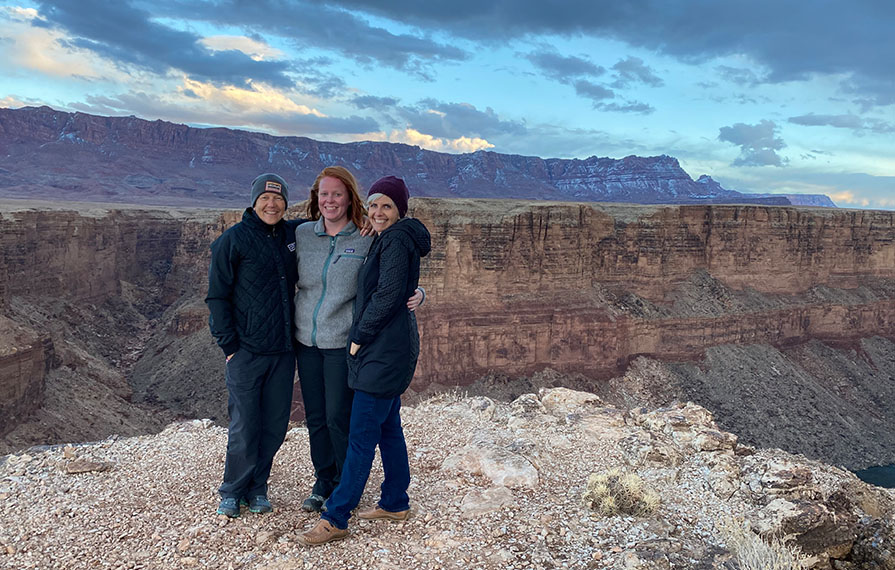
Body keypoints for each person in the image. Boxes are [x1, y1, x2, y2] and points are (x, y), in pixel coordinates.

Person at [298, 175, 431, 545]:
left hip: (382, 352)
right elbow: (399, 285)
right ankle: (395, 502)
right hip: (390, 349)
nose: (378, 212)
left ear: (400, 210)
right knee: (389, 429)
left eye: (387, 206)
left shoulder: (396, 239)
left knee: (361, 438)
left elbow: (387, 295)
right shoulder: (390, 237)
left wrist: (358, 338)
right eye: (373, 205)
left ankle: (336, 517)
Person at [205, 173, 300, 518]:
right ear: (254, 202)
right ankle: (232, 490)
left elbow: (331, 226)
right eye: (265, 199)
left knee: (274, 426)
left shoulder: (292, 235)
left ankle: (258, 488)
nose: (271, 205)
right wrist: (229, 346)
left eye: (278, 199)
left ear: (286, 203)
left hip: (283, 351)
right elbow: (217, 297)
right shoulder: (232, 240)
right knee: (245, 425)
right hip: (246, 351)